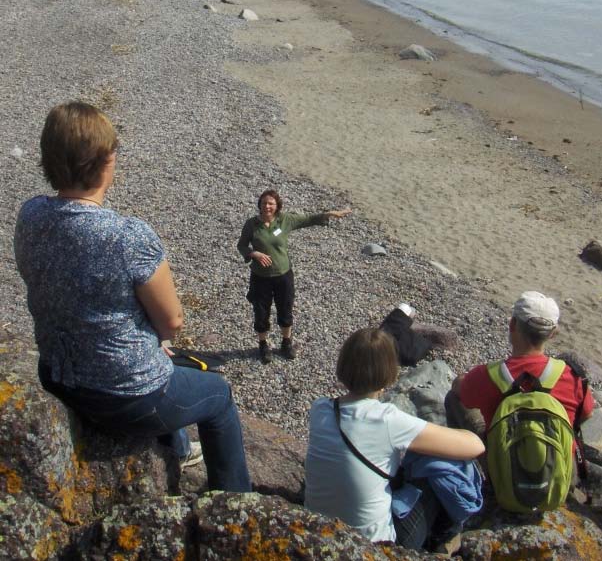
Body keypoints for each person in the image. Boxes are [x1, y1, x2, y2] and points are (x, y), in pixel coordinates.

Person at [14, 101, 250, 492]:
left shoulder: (31, 214)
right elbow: (171, 321)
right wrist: (154, 342)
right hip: (124, 397)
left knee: (154, 353)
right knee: (219, 395)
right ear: (105, 162)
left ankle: (175, 448)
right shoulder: (128, 236)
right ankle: (236, 501)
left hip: (56, 375)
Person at [305, 328, 484, 550]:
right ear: (389, 372)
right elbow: (475, 446)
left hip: (318, 533)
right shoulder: (387, 420)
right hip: (374, 546)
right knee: (448, 466)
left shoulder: (320, 409)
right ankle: (440, 544)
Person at [447, 291, 594, 435]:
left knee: (453, 398)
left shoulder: (488, 375)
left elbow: (459, 389)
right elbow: (586, 414)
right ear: (553, 334)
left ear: (512, 324)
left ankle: (463, 455)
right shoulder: (573, 377)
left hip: (500, 457)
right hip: (561, 458)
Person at [237, 189, 351, 363]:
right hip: (260, 277)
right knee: (261, 311)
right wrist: (254, 254)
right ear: (259, 204)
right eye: (264, 203)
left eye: (271, 203)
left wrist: (328, 214)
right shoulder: (251, 224)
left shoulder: (285, 220)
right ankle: (263, 344)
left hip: (283, 275)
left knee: (285, 308)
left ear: (277, 206)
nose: (267, 206)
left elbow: (308, 219)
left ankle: (286, 342)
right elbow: (242, 246)